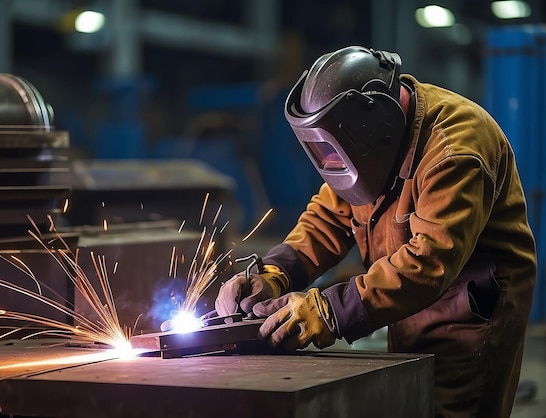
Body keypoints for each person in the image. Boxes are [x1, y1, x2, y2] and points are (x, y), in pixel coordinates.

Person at [214, 45, 536, 418]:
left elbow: (428, 260)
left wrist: (331, 310)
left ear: (374, 123)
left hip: (466, 318)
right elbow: (329, 217)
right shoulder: (365, 144)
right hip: (404, 303)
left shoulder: (456, 149)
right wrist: (275, 273)